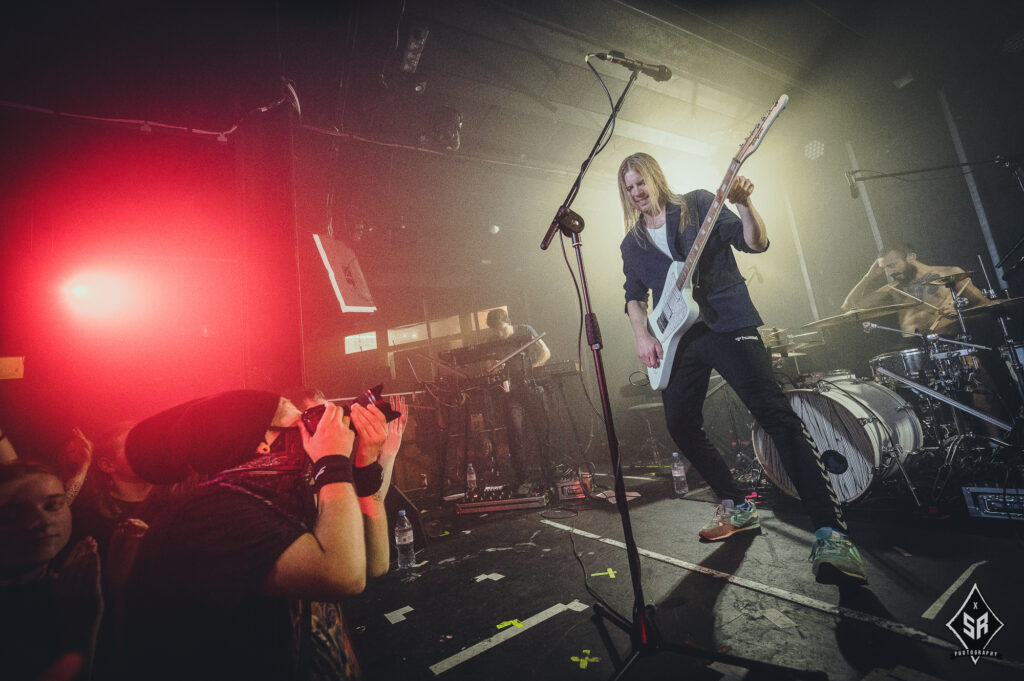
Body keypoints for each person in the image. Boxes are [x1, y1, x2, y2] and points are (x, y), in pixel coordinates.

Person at [617, 151, 866, 585]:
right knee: (679, 423)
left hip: (728, 322)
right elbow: (633, 296)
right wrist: (643, 335)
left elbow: (755, 243)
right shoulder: (632, 243)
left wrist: (744, 204)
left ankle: (831, 532)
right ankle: (738, 506)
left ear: (655, 178)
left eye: (640, 183)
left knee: (773, 414)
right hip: (681, 338)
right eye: (628, 188)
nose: (636, 193)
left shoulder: (696, 205)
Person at [123, 389, 407, 681]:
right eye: (299, 417)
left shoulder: (281, 497)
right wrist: (332, 460)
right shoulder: (211, 513)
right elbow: (344, 575)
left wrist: (365, 461)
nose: (310, 424)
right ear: (263, 445)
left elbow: (374, 563)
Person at [0, 459, 103, 681]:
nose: (43, 520)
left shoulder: (68, 587)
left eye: (53, 505)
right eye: (12, 514)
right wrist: (81, 629)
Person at [842, 241, 990, 333]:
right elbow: (849, 307)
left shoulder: (951, 273)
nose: (888, 272)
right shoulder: (894, 288)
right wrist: (868, 277)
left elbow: (985, 306)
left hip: (951, 341)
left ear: (911, 257)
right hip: (912, 349)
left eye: (892, 265)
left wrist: (960, 311)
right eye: (884, 268)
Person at [485, 308, 552, 488]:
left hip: (530, 386)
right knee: (514, 433)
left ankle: (549, 472)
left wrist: (533, 368)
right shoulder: (493, 341)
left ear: (508, 321)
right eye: (495, 330)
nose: (499, 333)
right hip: (510, 391)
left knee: (542, 429)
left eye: (502, 329)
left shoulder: (524, 330)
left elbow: (546, 352)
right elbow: (489, 366)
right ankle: (522, 478)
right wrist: (493, 369)